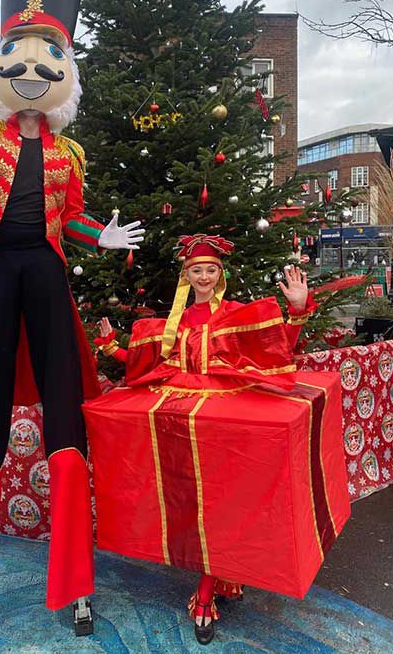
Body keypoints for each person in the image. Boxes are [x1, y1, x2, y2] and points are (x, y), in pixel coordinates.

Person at [0, 0, 144, 633]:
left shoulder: (68, 153)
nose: (32, 71)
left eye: (49, 57)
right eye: (18, 57)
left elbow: (72, 217)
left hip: (46, 271)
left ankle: (75, 582)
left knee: (65, 411)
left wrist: (99, 236)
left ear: (66, 72)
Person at [94, 233, 316, 645]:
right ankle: (214, 581)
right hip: (182, 419)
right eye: (197, 270)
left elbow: (278, 349)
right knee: (199, 499)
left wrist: (297, 310)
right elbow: (146, 364)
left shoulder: (234, 315)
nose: (204, 277)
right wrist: (111, 349)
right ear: (186, 276)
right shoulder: (173, 324)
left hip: (226, 419)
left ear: (220, 274)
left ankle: (211, 585)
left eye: (211, 270)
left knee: (224, 497)